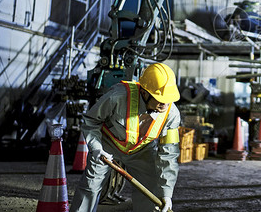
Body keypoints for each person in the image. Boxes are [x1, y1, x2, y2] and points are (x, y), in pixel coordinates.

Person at [71, 63, 181, 212]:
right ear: (144, 92)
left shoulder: (172, 114)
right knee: (90, 186)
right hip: (107, 146)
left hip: (142, 151)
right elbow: (91, 121)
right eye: (159, 98)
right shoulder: (117, 96)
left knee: (151, 191)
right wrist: (96, 148)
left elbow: (169, 154)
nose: (164, 104)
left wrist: (166, 193)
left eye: (168, 99)